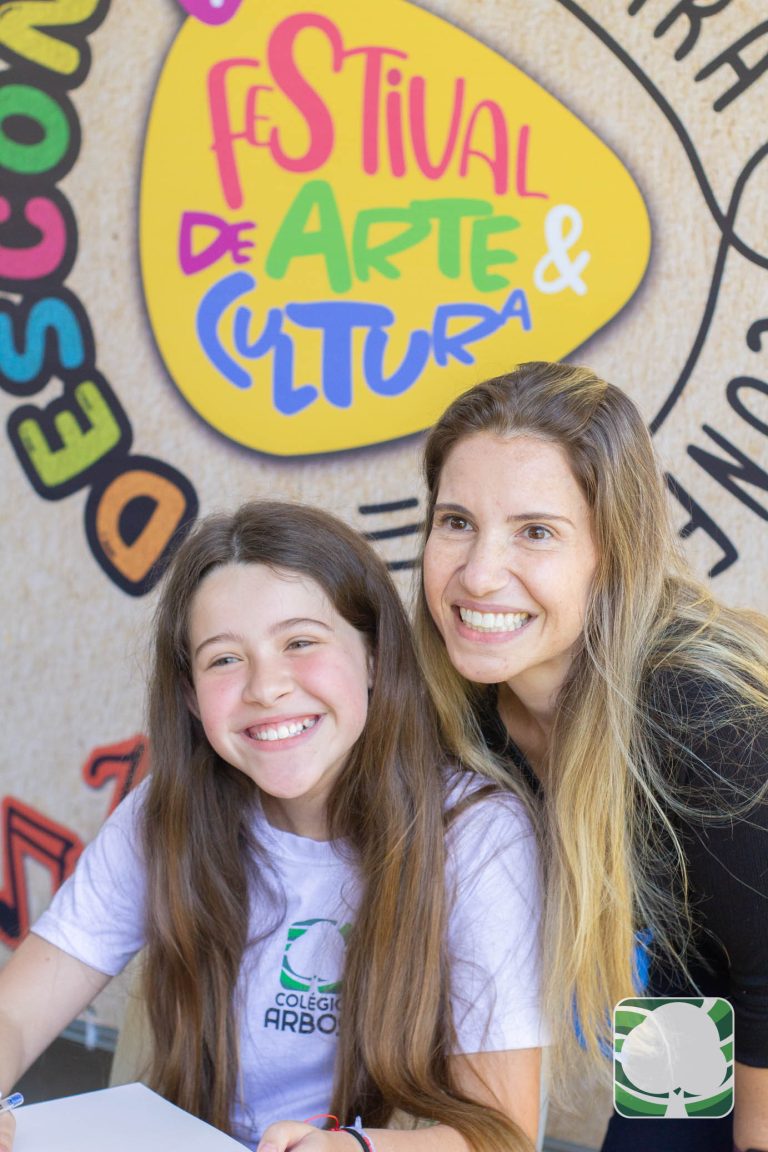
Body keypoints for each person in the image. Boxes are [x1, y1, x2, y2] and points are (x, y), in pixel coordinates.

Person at [0, 501, 545, 1152]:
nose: (265, 687)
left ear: (374, 656)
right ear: (191, 696)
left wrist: (353, 1149)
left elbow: (504, 1136)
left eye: (300, 643)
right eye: (224, 660)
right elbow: (15, 1014)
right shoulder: (167, 811)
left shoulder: (477, 832)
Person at [414, 362, 768, 1152]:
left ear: (613, 553)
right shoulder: (460, 701)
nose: (479, 574)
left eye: (535, 532)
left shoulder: (705, 719)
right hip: (692, 977)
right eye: (456, 521)